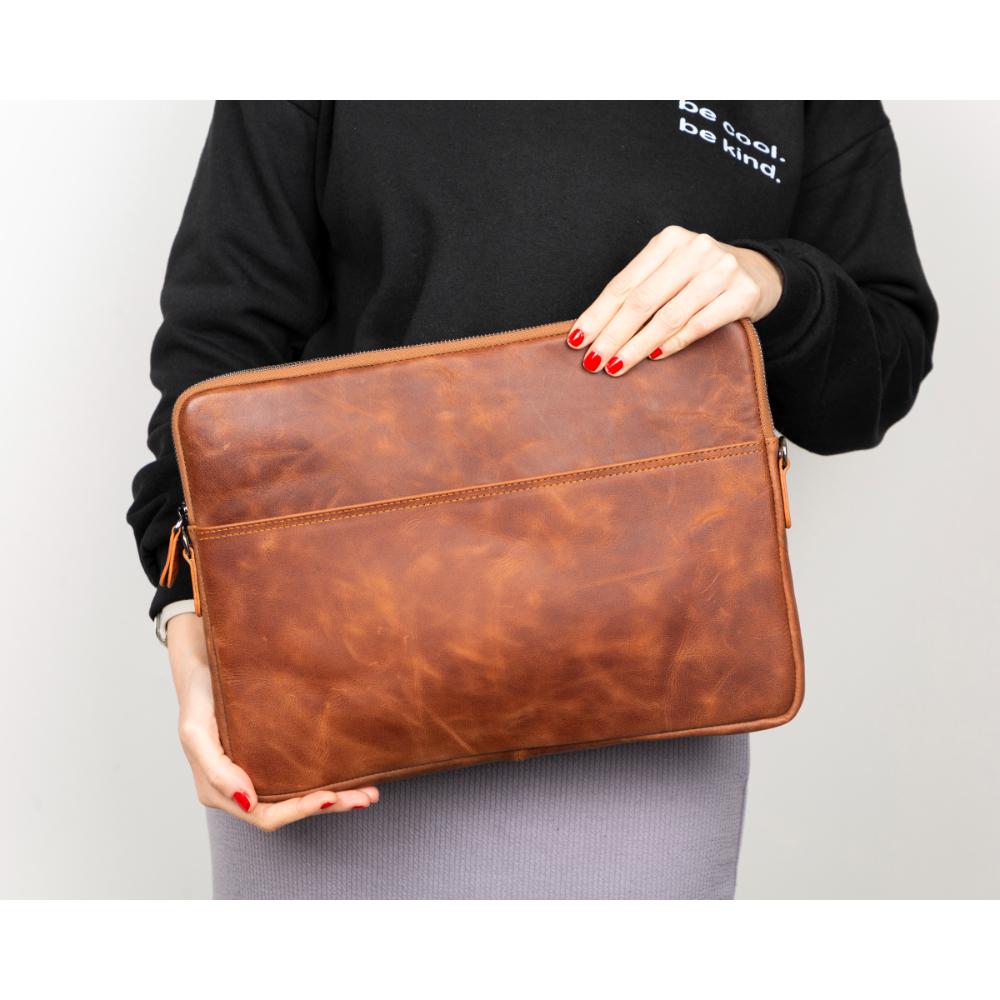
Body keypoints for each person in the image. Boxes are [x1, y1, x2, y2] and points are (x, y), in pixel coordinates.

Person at [127, 100, 937, 899]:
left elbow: (881, 369)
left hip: (651, 715)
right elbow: (218, 349)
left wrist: (771, 281)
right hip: (337, 696)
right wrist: (189, 616)